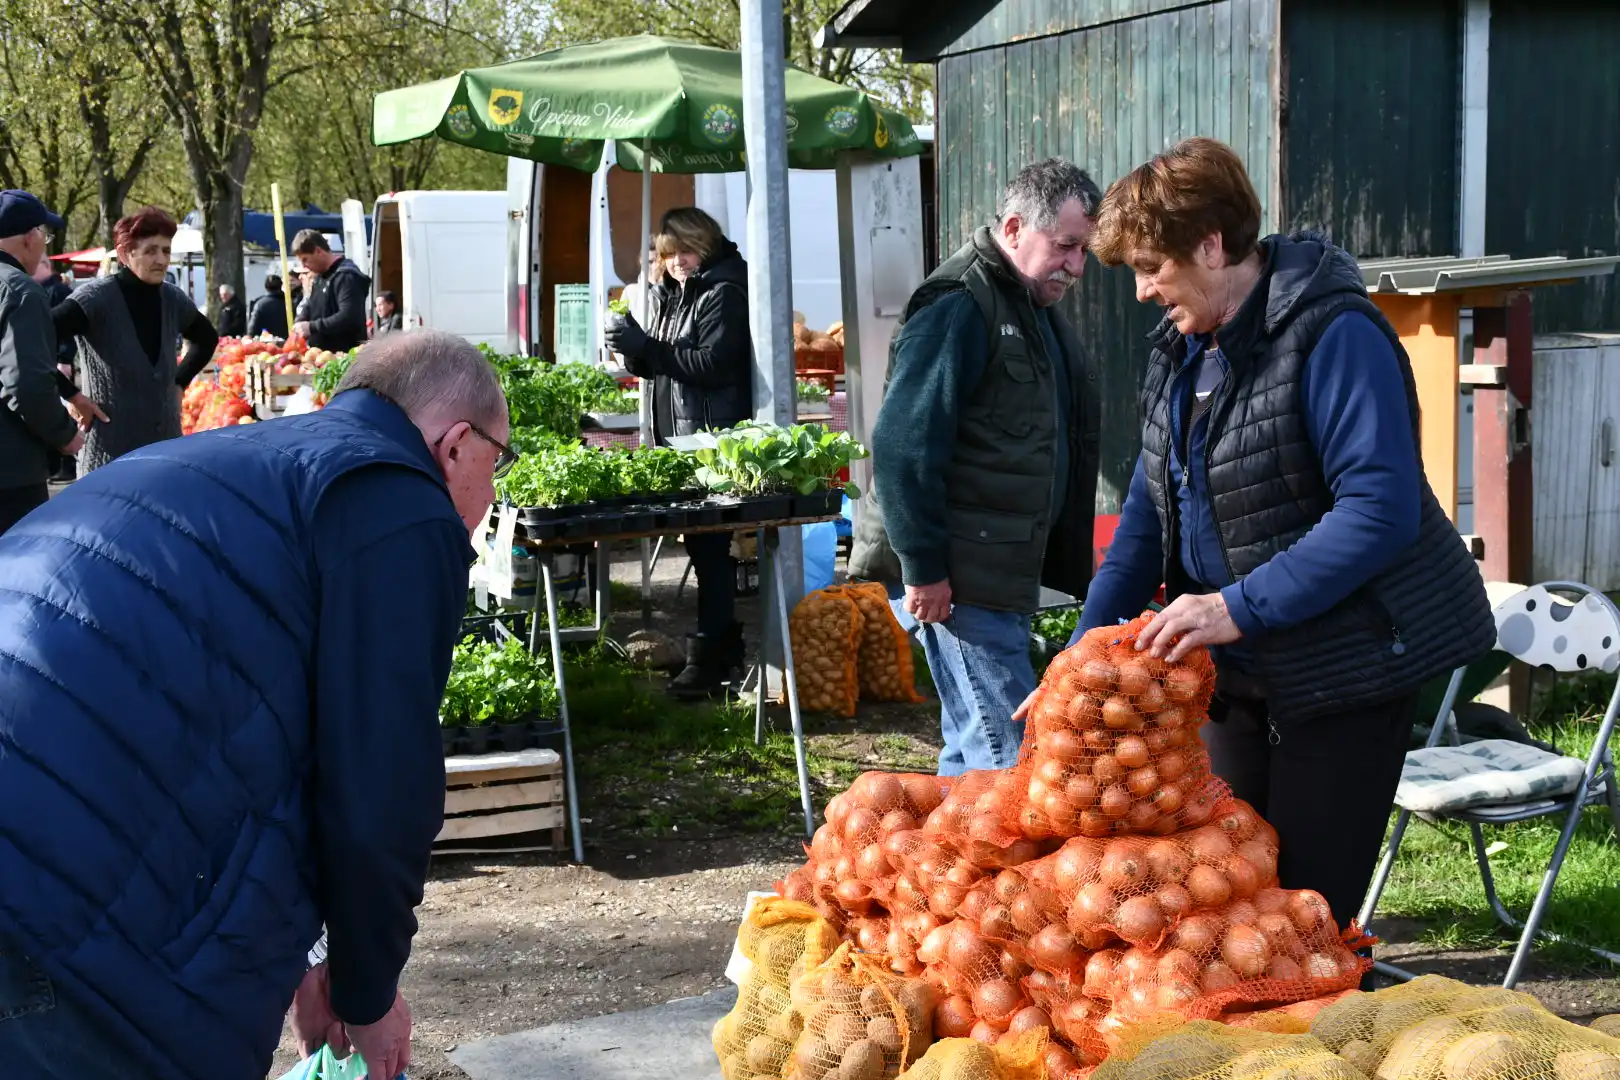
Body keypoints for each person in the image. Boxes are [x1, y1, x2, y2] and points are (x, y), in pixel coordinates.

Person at [0, 329, 514, 1080]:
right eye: (499, 463)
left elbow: (273, 737)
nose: (492, 492)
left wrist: (313, 964)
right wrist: (366, 997)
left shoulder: (235, 466)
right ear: (459, 444)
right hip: (47, 878)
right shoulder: (397, 500)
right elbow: (380, 786)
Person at [1044, 136, 1496, 928]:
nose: (1145, 290)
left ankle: (1318, 1037)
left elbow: (1378, 510)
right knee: (1226, 898)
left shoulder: (1335, 335)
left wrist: (1233, 607)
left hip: (1345, 672)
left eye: (1154, 267)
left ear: (1212, 245)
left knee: (1302, 917)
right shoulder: (1179, 353)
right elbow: (1146, 523)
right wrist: (1080, 657)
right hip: (1238, 680)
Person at [849, 159, 1103, 775]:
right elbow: (904, 445)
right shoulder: (960, 304)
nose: (1077, 266)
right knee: (1007, 766)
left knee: (974, 751)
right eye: (1066, 246)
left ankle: (940, 868)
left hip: (997, 571)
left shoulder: (1026, 303)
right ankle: (998, 872)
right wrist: (925, 569)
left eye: (1084, 250)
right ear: (1015, 227)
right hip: (963, 581)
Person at [603, 207, 752, 697]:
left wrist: (649, 346)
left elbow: (711, 363)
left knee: (709, 546)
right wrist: (633, 350)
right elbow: (664, 365)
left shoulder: (723, 290)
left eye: (685, 252)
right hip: (680, 433)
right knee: (700, 543)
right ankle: (716, 649)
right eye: (669, 256)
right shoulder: (678, 291)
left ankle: (713, 656)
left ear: (705, 246)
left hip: (709, 435)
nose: (677, 263)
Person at [50, 206, 219, 474]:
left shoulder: (172, 298)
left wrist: (179, 382)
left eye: (166, 250)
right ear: (125, 254)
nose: (162, 259)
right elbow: (33, 343)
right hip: (109, 454)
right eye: (151, 250)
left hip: (164, 450)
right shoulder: (94, 299)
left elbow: (207, 339)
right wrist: (72, 396)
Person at [0, 190, 84, 534]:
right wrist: (67, 436)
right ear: (31, 237)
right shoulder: (20, 291)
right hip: (11, 475)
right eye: (45, 236)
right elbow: (26, 384)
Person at [291, 229, 371, 352]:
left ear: (318, 251)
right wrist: (301, 319)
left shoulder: (346, 277)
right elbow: (312, 305)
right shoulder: (320, 277)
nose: (303, 266)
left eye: (305, 259)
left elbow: (349, 317)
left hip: (344, 358)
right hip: (319, 357)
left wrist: (312, 327)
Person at [249, 272, 291, 339]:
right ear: (281, 285)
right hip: (286, 341)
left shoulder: (259, 304)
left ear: (265, 286)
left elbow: (252, 327)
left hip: (265, 341)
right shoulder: (289, 302)